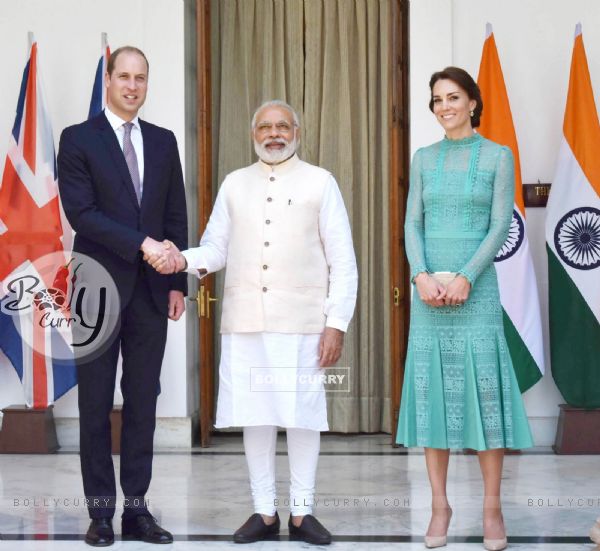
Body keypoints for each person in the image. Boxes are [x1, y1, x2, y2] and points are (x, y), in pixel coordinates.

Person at [148, 99, 358, 545]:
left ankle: (302, 513)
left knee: (302, 418)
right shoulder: (234, 184)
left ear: (297, 132)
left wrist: (335, 323)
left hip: (303, 324)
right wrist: (179, 258)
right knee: (256, 416)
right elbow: (216, 248)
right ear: (253, 134)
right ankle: (265, 512)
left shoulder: (321, 182)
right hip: (246, 322)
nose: (274, 133)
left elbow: (344, 262)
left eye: (283, 125)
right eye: (266, 126)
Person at [395, 67, 533, 551]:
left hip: (476, 293)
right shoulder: (424, 158)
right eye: (436, 100)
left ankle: (492, 509)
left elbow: (500, 225)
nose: (444, 106)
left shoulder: (498, 156)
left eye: (453, 97)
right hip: (429, 294)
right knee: (434, 396)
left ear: (473, 102)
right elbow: (412, 223)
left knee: (485, 400)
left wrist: (466, 276)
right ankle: (439, 507)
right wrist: (420, 275)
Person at [57, 46, 187, 546]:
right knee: (94, 405)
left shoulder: (162, 140)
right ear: (108, 80)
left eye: (141, 79)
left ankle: (136, 511)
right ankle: (101, 515)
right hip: (96, 289)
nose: (132, 86)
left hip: (153, 294)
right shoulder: (78, 139)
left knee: (142, 405)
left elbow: (175, 214)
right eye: (124, 77)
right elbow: (82, 214)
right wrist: (143, 244)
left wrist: (178, 282)